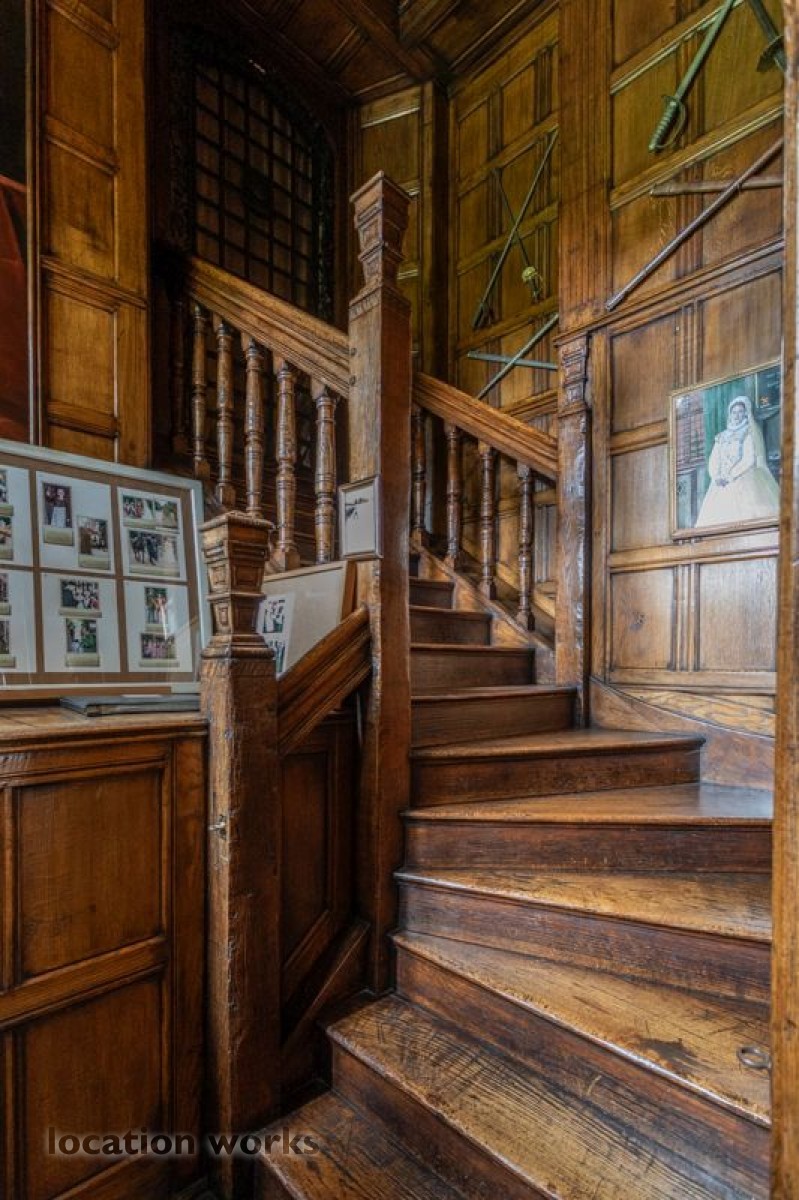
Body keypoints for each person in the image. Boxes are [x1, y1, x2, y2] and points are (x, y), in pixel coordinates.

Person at [695, 395, 779, 529]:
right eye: (734, 412)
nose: (737, 415)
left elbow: (749, 459)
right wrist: (716, 476)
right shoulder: (722, 436)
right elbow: (714, 459)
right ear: (730, 414)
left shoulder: (748, 433)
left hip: (743, 478)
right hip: (720, 483)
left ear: (745, 413)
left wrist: (730, 476)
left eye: (740, 412)